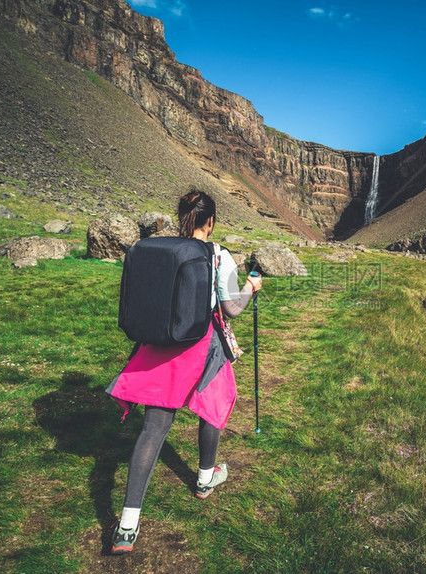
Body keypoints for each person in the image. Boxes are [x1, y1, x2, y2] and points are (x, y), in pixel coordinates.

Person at [106, 189, 261, 555]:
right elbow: (232, 309)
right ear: (210, 221)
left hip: (160, 345)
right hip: (199, 344)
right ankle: (205, 480)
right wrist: (251, 289)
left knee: (153, 429)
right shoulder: (220, 255)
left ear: (182, 217)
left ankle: (127, 527)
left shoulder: (161, 249)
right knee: (214, 405)